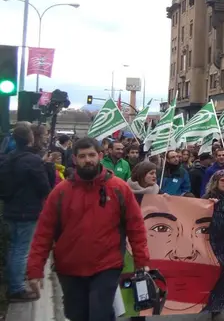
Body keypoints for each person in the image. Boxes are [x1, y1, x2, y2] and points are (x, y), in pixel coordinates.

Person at [26, 137, 150, 321]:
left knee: (99, 313)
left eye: (92, 155)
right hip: (70, 268)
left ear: (100, 156)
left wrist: (142, 260)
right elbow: (43, 232)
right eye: (82, 156)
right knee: (78, 315)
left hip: (107, 265)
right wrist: (34, 270)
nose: (88, 160)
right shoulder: (60, 192)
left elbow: (136, 227)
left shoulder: (119, 189)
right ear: (75, 159)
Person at [0, 122, 51, 301]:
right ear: (30, 138)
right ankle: (16, 289)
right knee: (21, 249)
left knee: (14, 247)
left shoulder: (7, 158)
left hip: (11, 209)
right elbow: (44, 187)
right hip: (27, 210)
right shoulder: (33, 160)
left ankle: (13, 280)